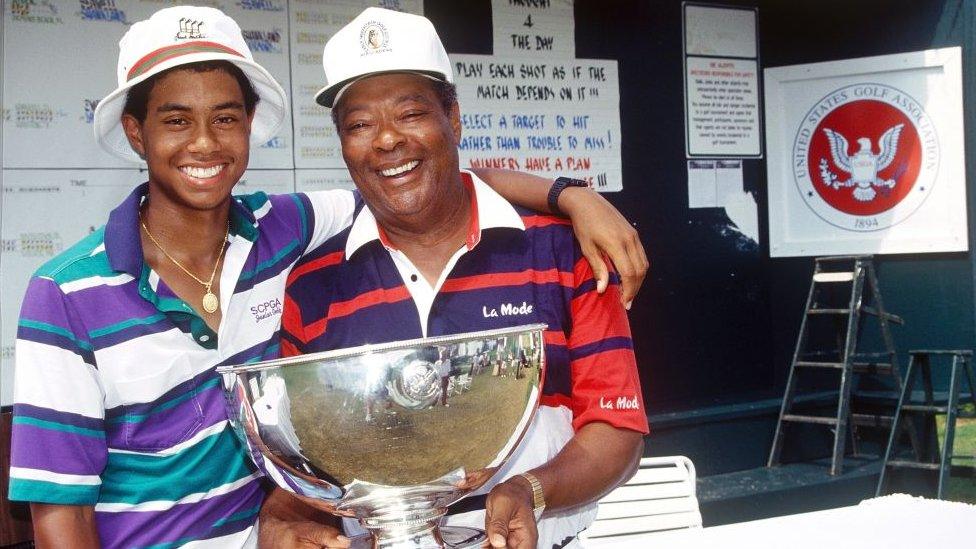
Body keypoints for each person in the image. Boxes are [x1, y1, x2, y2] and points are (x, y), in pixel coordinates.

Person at [6, 6, 647, 549]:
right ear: (136, 132)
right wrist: (294, 508)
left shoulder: (283, 231)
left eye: (226, 117)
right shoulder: (66, 294)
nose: (205, 142)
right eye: (176, 120)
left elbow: (423, 185)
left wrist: (570, 196)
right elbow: (59, 509)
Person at [281, 8, 649, 549]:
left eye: (410, 114)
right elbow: (300, 456)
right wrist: (286, 518)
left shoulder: (564, 249)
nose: (385, 140)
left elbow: (617, 427)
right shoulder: (312, 286)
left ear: (452, 119)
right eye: (359, 124)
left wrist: (532, 491)